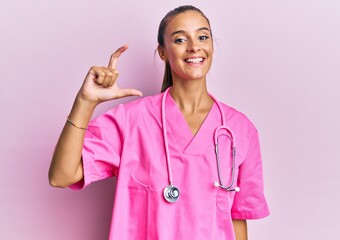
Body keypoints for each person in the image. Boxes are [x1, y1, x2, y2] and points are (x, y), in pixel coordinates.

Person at [48, 5, 269, 240]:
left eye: (203, 37)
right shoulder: (131, 121)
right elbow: (61, 176)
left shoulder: (240, 129)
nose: (194, 46)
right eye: (180, 39)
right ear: (162, 52)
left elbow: (236, 220)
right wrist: (85, 102)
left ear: (212, 45)